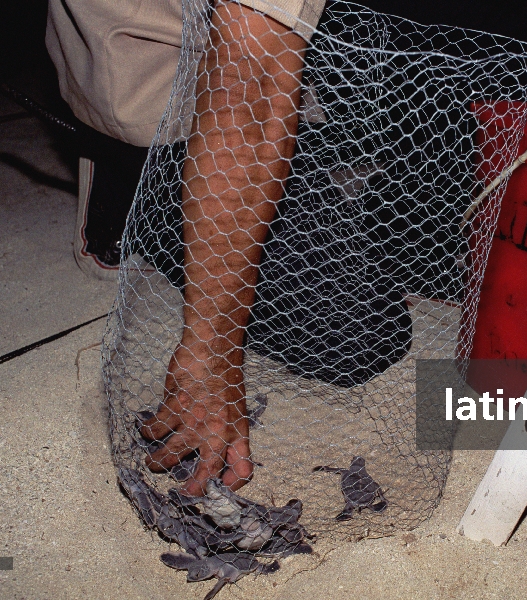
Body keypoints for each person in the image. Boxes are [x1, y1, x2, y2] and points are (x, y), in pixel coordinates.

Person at [48, 0, 325, 494]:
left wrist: (221, 345)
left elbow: (273, 73)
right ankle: (123, 162)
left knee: (352, 338)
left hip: (247, 60)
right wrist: (209, 352)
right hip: (144, 65)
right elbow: (248, 83)